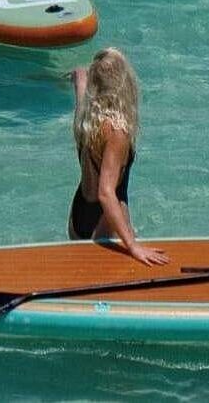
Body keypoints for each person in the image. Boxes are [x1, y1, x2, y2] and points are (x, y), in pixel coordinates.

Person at [68, 47, 170, 266]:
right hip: (104, 223)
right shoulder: (117, 132)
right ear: (124, 85)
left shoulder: (86, 115)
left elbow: (81, 84)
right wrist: (133, 246)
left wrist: (78, 76)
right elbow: (106, 193)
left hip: (78, 216)